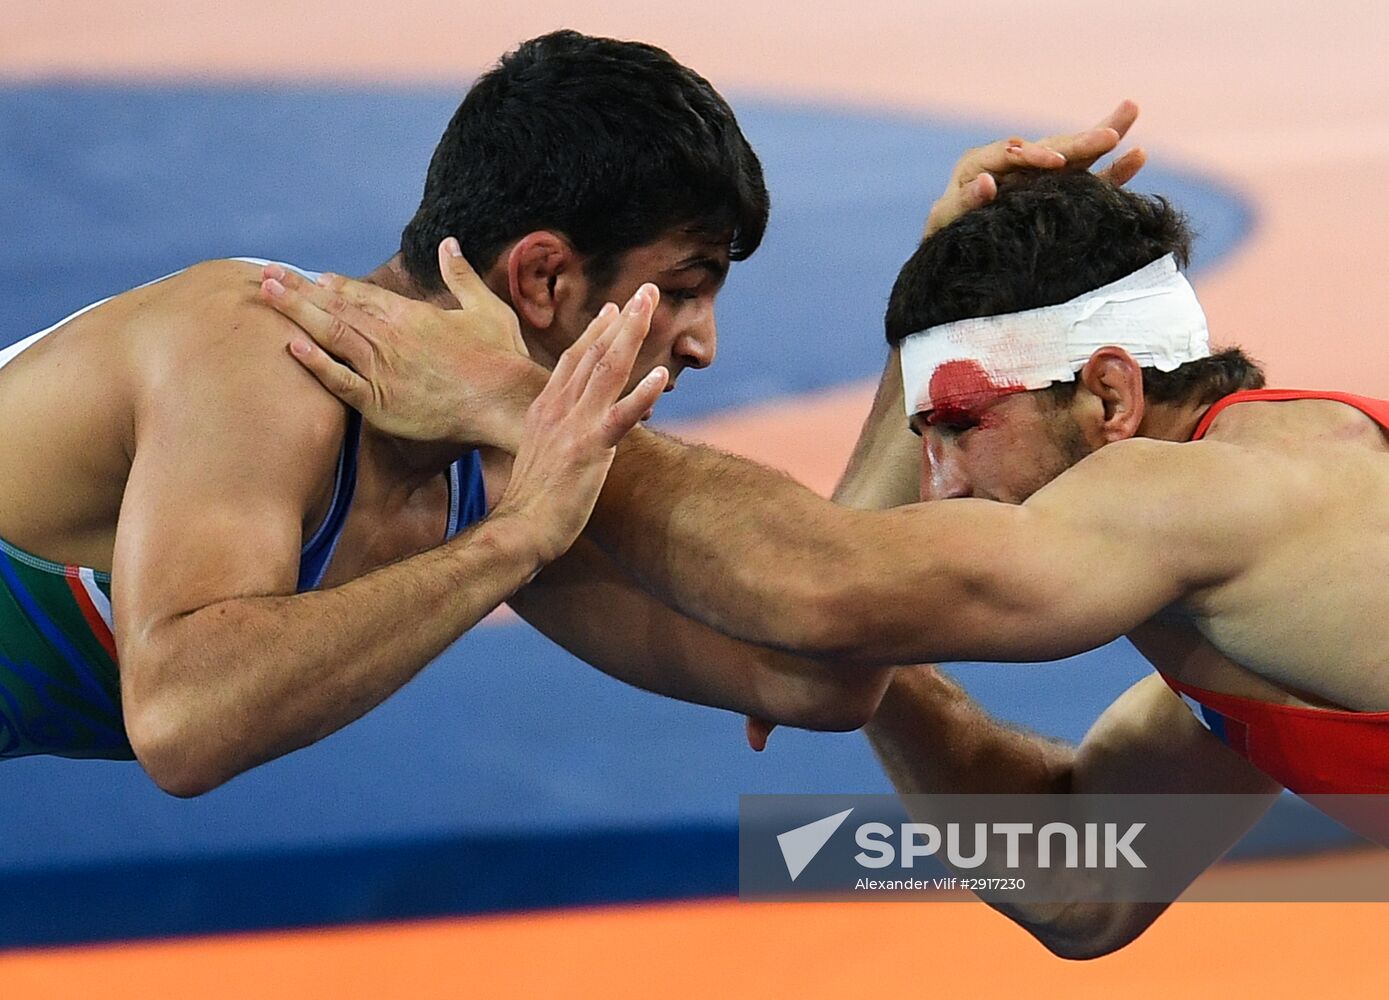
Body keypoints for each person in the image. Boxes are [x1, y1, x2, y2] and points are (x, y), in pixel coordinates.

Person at [270, 125, 1389, 958]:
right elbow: (1078, 878)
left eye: (961, 429)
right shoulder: (1241, 606)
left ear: (1107, 395)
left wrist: (518, 401)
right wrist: (878, 652)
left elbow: (816, 583)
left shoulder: (1200, 495)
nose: (937, 488)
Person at [0, 29, 871, 794]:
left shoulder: (494, 474)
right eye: (679, 291)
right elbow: (184, 723)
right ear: (543, 278)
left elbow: (811, 670)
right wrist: (514, 541)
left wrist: (924, 349)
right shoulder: (258, 357)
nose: (701, 345)